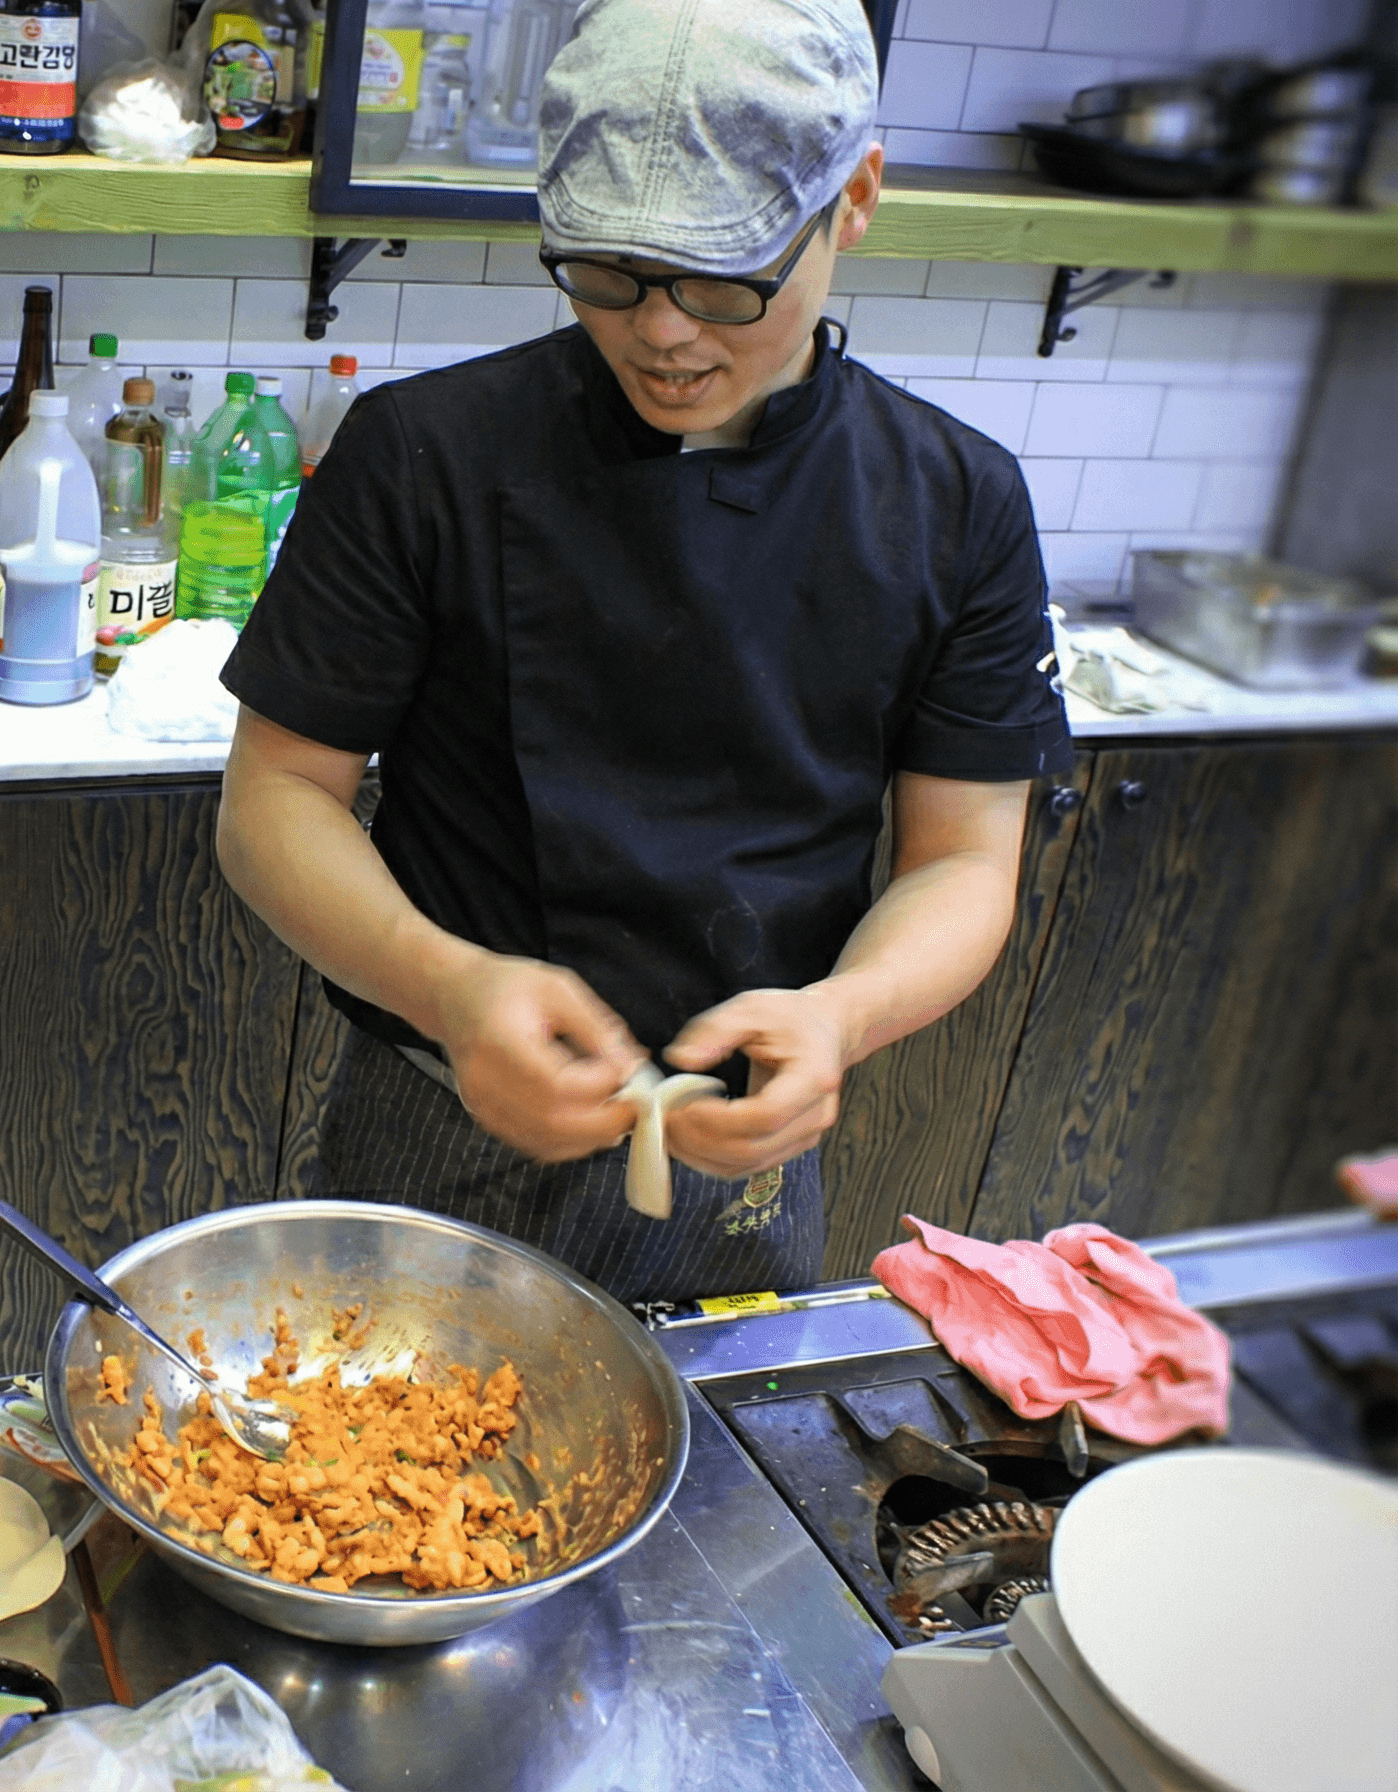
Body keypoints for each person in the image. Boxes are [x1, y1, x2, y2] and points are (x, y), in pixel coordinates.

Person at [215, 0, 1069, 1305]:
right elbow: (274, 800)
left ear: (857, 199)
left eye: (725, 281)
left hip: (746, 1155)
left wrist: (840, 1019)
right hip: (438, 1116)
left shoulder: (957, 504)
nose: (662, 334)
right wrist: (447, 986)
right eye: (607, 272)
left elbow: (965, 862)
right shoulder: (422, 455)